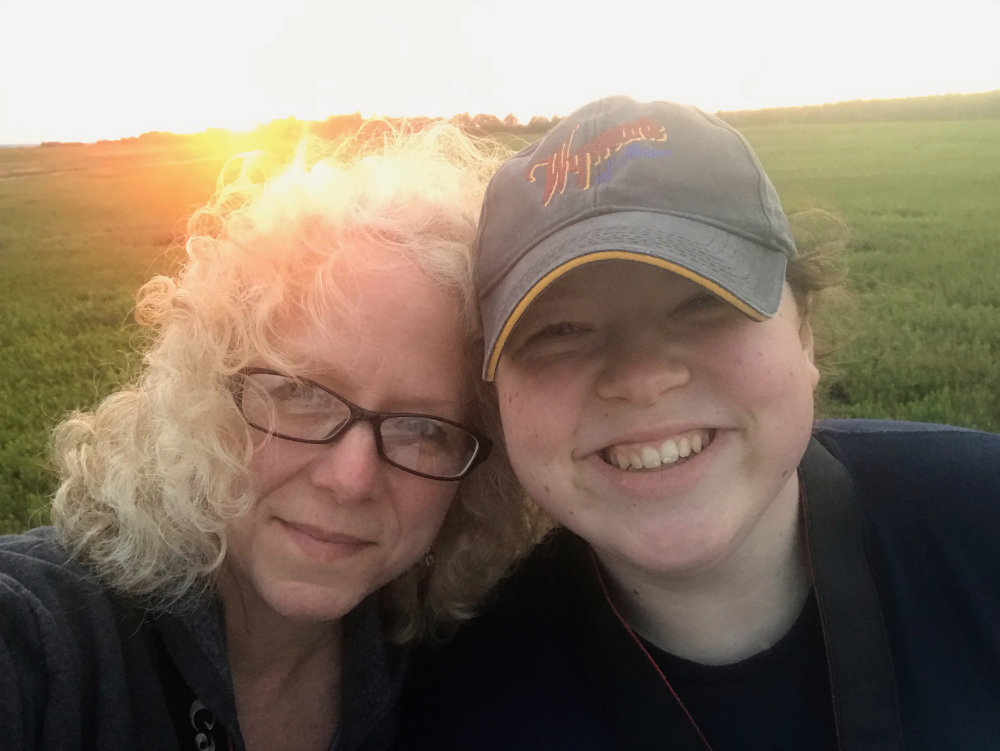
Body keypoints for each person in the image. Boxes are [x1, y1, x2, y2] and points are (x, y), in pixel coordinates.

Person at [397, 96, 1000, 750]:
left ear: (804, 334)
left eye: (703, 303)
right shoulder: (464, 705)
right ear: (496, 397)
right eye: (560, 330)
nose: (642, 377)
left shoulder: (983, 520)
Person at [0, 124, 535, 751]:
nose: (350, 479)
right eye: (301, 394)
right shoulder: (41, 638)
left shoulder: (459, 680)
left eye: (422, 428)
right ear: (205, 395)